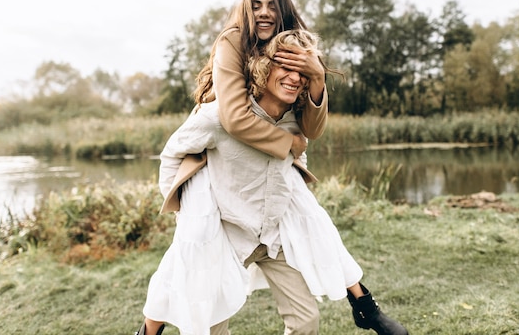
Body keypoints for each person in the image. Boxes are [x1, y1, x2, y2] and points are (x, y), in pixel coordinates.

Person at [135, 29, 408, 335]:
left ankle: (365, 308)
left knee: (306, 320)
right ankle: (148, 330)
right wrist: (189, 212)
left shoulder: (295, 122)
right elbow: (171, 156)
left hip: (272, 238)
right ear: (264, 67)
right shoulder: (217, 118)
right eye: (286, 68)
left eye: (302, 73)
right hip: (225, 236)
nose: (295, 78)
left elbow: (297, 159)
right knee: (209, 326)